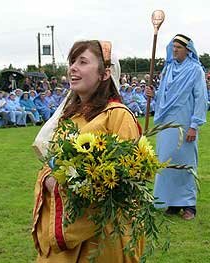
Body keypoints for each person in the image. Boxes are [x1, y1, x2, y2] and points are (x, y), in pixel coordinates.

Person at [32, 40, 143, 262]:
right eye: (72, 61)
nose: (73, 68)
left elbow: (125, 179)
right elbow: (51, 163)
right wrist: (49, 179)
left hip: (103, 237)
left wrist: (73, 181)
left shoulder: (118, 116)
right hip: (68, 227)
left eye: (83, 62)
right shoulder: (69, 117)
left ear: (104, 74)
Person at [146, 34, 208, 220]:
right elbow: (166, 99)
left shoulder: (195, 70)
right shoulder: (168, 69)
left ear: (188, 50)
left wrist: (194, 126)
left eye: (178, 48)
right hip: (166, 124)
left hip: (185, 123)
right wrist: (153, 94)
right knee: (166, 162)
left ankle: (189, 205)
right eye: (173, 47)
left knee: (184, 163)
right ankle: (171, 203)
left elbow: (201, 99)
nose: (174, 50)